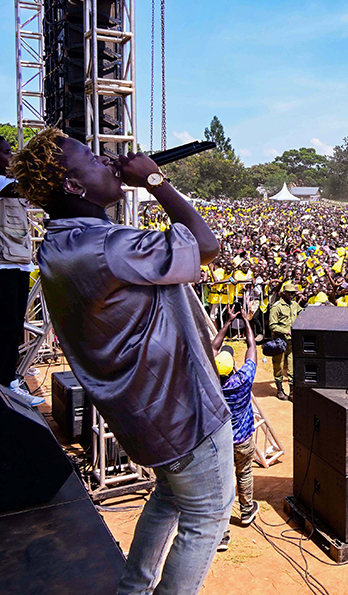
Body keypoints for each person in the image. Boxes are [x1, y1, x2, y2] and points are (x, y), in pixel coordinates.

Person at [11, 130, 233, 595]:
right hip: (184, 411)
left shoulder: (56, 246)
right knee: (207, 514)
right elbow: (206, 245)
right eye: (91, 157)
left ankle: (133, 589)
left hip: (141, 416)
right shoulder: (110, 249)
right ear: (73, 186)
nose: (106, 159)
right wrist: (155, 180)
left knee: (171, 496)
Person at [211, 305, 260, 551]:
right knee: (245, 473)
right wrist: (246, 321)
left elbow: (212, 348)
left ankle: (222, 535)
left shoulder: (209, 384)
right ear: (232, 367)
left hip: (218, 444)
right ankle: (247, 511)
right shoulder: (243, 381)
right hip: (243, 440)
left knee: (222, 485)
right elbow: (252, 347)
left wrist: (227, 322)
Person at [0, 136, 39, 405]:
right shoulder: (6, 184)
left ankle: (9, 377)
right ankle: (4, 381)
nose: (10, 156)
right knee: (4, 326)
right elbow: (18, 189)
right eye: (5, 152)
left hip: (19, 261)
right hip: (3, 265)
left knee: (14, 326)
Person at [268, 280, 301, 400]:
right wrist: (286, 331)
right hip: (280, 341)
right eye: (290, 293)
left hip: (292, 342)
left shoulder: (294, 304)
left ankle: (292, 392)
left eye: (293, 293)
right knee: (279, 366)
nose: (292, 295)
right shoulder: (276, 307)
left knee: (292, 368)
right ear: (284, 293)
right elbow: (272, 325)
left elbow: (301, 312)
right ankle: (279, 389)